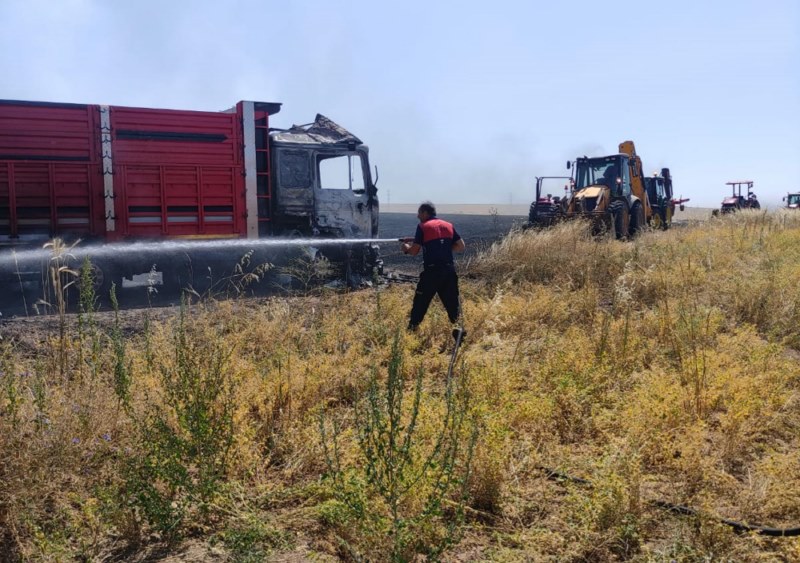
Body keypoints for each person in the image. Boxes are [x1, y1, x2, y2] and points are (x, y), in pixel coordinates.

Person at [400, 202, 466, 341]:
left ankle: (412, 330)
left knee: (420, 302)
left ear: (425, 213)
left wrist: (406, 248)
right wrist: (445, 249)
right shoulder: (448, 225)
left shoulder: (422, 226)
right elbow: (461, 246)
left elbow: (414, 251)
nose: (418, 216)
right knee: (452, 303)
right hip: (449, 271)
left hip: (432, 272)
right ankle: (460, 331)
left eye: (419, 213)